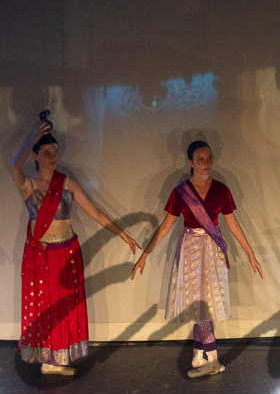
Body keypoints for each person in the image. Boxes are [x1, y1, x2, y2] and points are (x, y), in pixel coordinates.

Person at [9, 118, 139, 376]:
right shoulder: (28, 185)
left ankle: (56, 360)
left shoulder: (66, 182)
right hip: (42, 255)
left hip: (66, 252)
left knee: (64, 306)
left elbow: (96, 212)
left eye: (56, 152)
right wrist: (33, 138)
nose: (53, 157)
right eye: (47, 153)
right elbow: (15, 166)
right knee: (45, 306)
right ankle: (46, 359)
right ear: (35, 155)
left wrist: (121, 234)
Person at [130, 140, 262, 378]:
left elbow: (233, 224)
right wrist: (145, 255)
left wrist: (250, 254)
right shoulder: (180, 192)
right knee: (198, 303)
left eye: (209, 158)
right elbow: (164, 227)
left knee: (205, 303)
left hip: (212, 249)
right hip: (190, 248)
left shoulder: (221, 190)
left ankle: (202, 357)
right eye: (201, 159)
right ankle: (209, 358)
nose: (206, 163)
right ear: (190, 162)